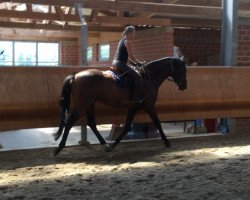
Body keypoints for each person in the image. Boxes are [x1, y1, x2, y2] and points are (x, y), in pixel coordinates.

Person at [112, 26, 144, 104]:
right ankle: (135, 98)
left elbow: (126, 57)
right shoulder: (128, 42)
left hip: (115, 62)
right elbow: (131, 56)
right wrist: (138, 63)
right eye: (134, 33)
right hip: (120, 63)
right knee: (138, 77)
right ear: (130, 33)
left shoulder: (122, 41)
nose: (134, 35)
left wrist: (133, 63)